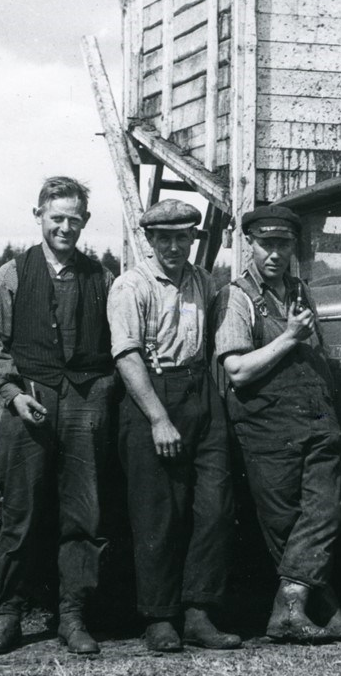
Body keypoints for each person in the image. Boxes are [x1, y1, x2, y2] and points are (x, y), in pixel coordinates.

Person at [0, 176, 115, 656]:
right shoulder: (12, 274)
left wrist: (98, 396)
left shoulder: (103, 278)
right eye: (57, 217)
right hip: (28, 405)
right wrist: (12, 394)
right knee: (21, 514)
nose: (66, 227)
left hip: (83, 408)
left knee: (85, 515)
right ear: (39, 216)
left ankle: (73, 617)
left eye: (75, 219)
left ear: (85, 222)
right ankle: (7, 616)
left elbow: (119, 348)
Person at [213, 205, 341, 643]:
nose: (274, 253)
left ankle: (290, 608)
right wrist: (290, 336)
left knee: (325, 512)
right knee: (285, 523)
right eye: (265, 244)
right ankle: (316, 608)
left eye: (283, 244)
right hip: (267, 428)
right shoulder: (236, 296)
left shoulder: (299, 290)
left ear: (294, 246)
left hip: (314, 420)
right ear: (249, 246)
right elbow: (236, 370)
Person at [107, 199, 239, 652]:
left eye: (183, 237)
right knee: (157, 514)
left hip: (201, 393)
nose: (174, 246)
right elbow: (127, 356)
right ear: (149, 240)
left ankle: (199, 613)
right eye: (164, 238)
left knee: (215, 506)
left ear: (192, 239)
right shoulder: (131, 286)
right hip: (152, 397)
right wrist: (159, 418)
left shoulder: (202, 281)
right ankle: (159, 619)